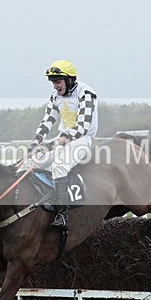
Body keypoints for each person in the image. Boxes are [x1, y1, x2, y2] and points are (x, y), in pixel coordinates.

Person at [28, 60, 98, 228]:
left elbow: (82, 128)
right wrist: (36, 143)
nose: (55, 86)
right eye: (53, 82)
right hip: (63, 138)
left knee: (59, 166)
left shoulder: (86, 93)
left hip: (82, 139)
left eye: (57, 81)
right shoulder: (55, 96)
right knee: (30, 161)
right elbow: (47, 121)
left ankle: (62, 214)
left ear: (69, 80)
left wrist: (55, 143)